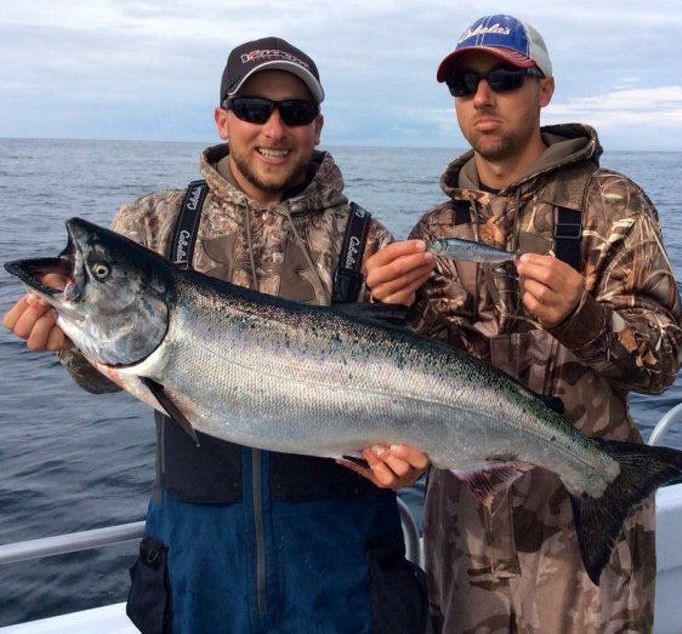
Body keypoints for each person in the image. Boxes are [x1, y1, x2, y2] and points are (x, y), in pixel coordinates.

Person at [3, 37, 428, 633]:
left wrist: (414, 463)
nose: (274, 130)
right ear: (222, 117)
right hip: (199, 561)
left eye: (295, 113)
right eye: (254, 109)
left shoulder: (371, 242)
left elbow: (419, 392)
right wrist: (68, 340)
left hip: (342, 567)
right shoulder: (151, 224)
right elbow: (112, 370)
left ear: (318, 125)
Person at [365, 14, 682, 633]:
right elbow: (415, 374)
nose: (482, 96)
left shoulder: (612, 204)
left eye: (505, 78)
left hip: (585, 537)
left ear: (544, 89)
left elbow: (664, 362)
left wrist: (583, 317)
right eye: (464, 83)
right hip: (466, 540)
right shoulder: (435, 232)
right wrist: (390, 310)